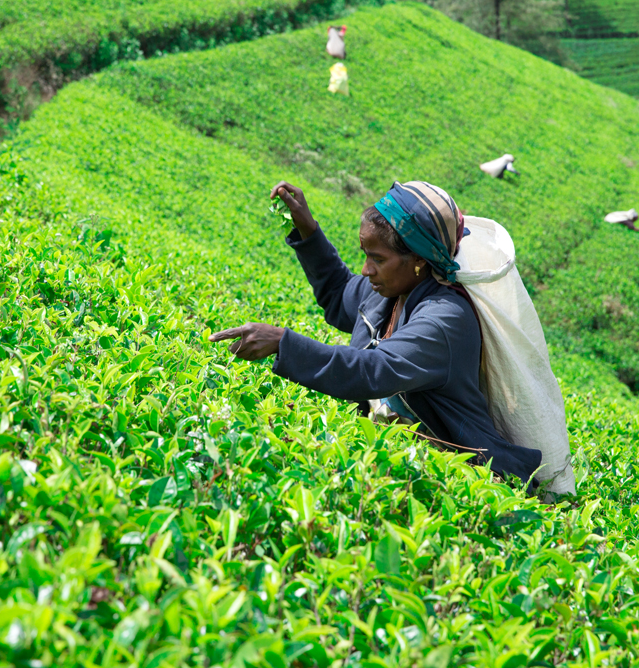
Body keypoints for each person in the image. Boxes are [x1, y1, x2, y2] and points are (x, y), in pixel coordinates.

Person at [208, 181, 543, 486]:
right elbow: (340, 295)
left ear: (417, 260)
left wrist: (284, 342)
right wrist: (308, 232)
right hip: (397, 456)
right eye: (365, 256)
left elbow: (372, 371)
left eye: (377, 259)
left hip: (460, 471)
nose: (366, 270)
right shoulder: (387, 290)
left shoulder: (445, 320)